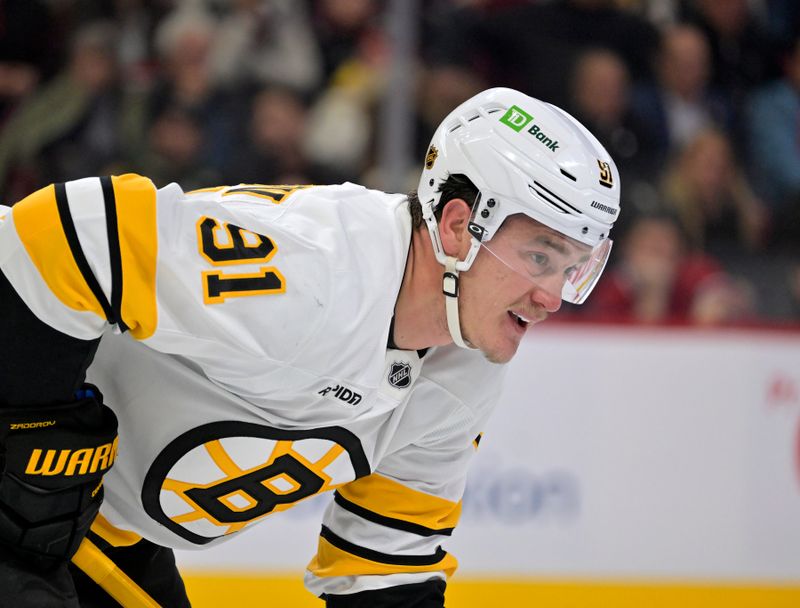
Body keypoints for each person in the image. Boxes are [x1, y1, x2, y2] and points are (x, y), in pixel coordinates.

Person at [0, 87, 620, 607]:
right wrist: (33, 422)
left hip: (104, 530)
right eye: (540, 256)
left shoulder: (464, 373)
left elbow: (383, 567)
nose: (552, 297)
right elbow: (55, 235)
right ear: (459, 225)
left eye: (571, 267)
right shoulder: (318, 274)